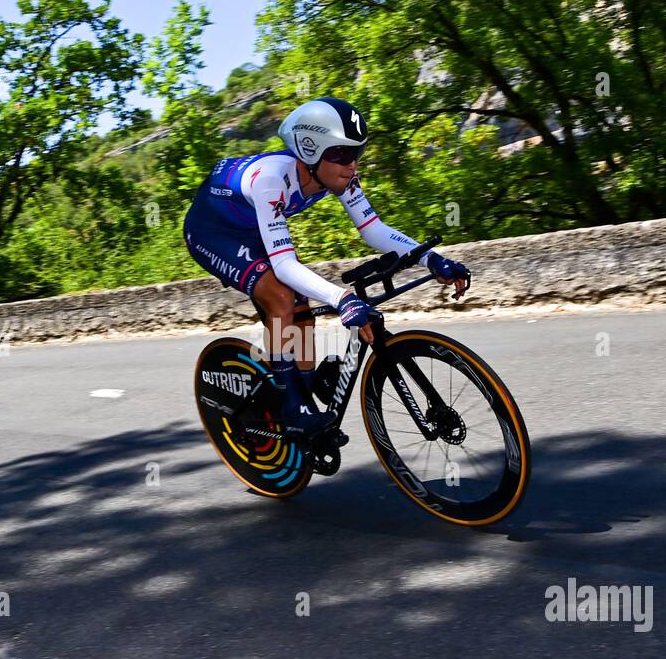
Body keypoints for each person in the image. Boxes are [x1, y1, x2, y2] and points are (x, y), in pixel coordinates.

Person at [183, 96, 470, 436]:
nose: (352, 165)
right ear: (309, 151)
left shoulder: (341, 176)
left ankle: (301, 397)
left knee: (301, 311)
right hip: (212, 233)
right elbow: (286, 267)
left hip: (253, 228)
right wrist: (342, 298)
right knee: (281, 295)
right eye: (341, 154)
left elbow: (373, 229)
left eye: (357, 152)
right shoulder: (272, 179)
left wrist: (430, 258)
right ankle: (294, 408)